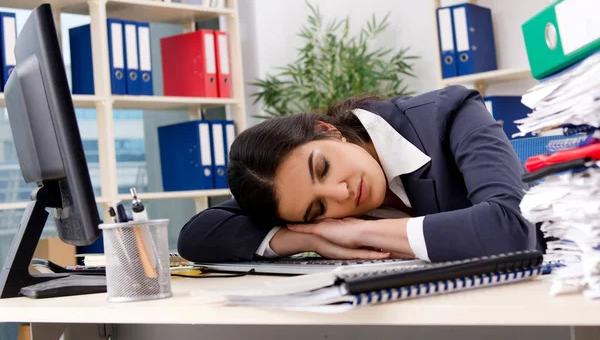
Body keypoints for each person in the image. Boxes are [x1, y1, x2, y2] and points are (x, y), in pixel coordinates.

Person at [177, 85, 539, 263]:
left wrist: (357, 231)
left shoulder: (450, 113)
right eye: (317, 210)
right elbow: (197, 237)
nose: (340, 195)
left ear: (327, 130)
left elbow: (511, 228)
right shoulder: (290, 190)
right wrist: (310, 239)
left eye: (323, 168)